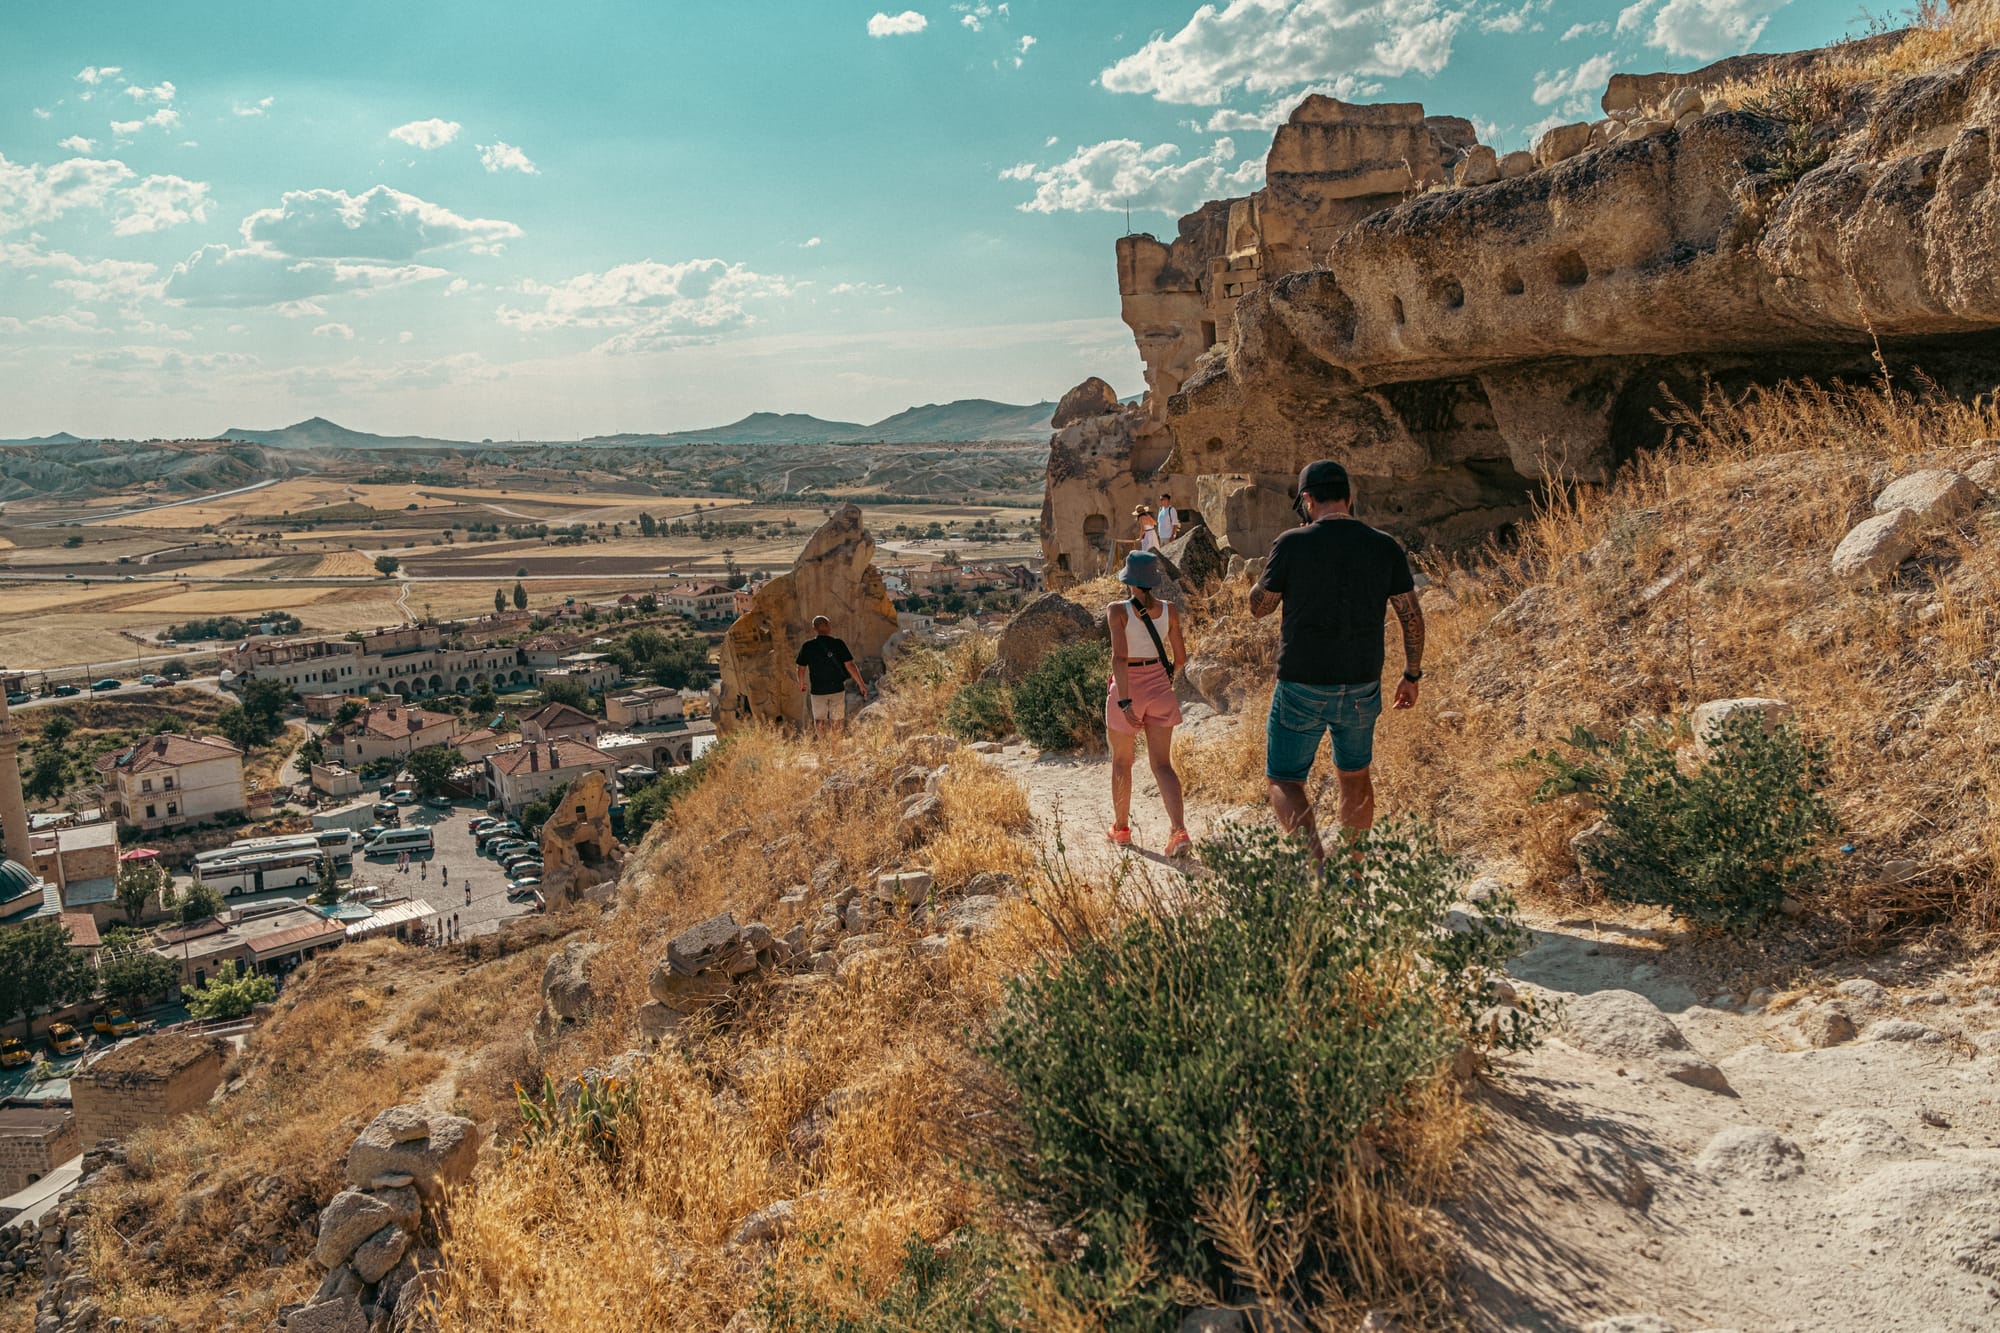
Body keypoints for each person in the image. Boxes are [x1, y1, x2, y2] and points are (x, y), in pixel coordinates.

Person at [1250, 459, 1425, 860]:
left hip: (1301, 684)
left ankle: (1315, 871)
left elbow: (1260, 607)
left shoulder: (1291, 543)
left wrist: (1266, 577)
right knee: (1355, 777)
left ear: (1307, 500)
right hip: (1362, 684)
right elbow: (1410, 615)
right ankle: (1356, 874)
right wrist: (1411, 674)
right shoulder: (1384, 545)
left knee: (1284, 779)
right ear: (1350, 497)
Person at [1104, 550, 1192, 858]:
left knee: (1121, 762)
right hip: (1159, 685)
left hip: (1128, 684)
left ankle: (1122, 829)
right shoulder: (1169, 610)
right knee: (1163, 765)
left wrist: (1126, 699)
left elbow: (1119, 657)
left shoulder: (1118, 610)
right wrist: (1164, 678)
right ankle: (1179, 831)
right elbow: (1180, 658)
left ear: (1129, 581)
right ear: (1153, 580)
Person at [794, 615, 870, 737]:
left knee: (819, 720)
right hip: (837, 689)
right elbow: (850, 665)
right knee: (837, 720)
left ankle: (823, 745)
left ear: (814, 628)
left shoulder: (808, 646)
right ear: (829, 626)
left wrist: (801, 683)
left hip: (818, 690)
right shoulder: (838, 643)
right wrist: (861, 684)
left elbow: (800, 668)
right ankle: (836, 747)